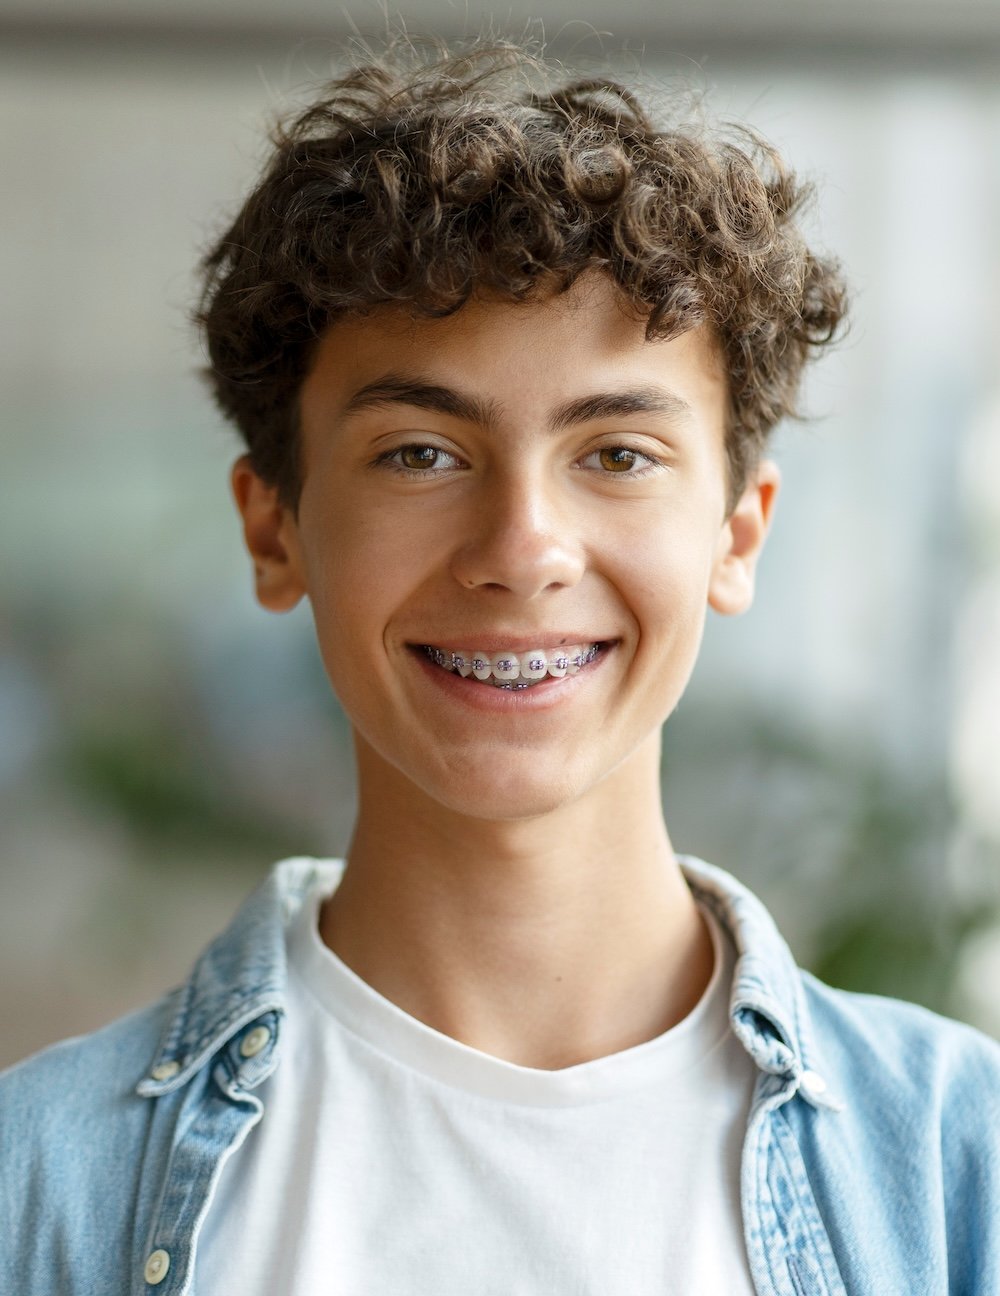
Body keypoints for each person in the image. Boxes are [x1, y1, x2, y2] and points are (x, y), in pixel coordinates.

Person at [2, 36, 999, 1296]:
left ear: (736, 534)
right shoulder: (37, 1187)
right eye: (420, 452)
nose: (521, 552)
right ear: (275, 529)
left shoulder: (961, 1166)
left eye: (618, 454)